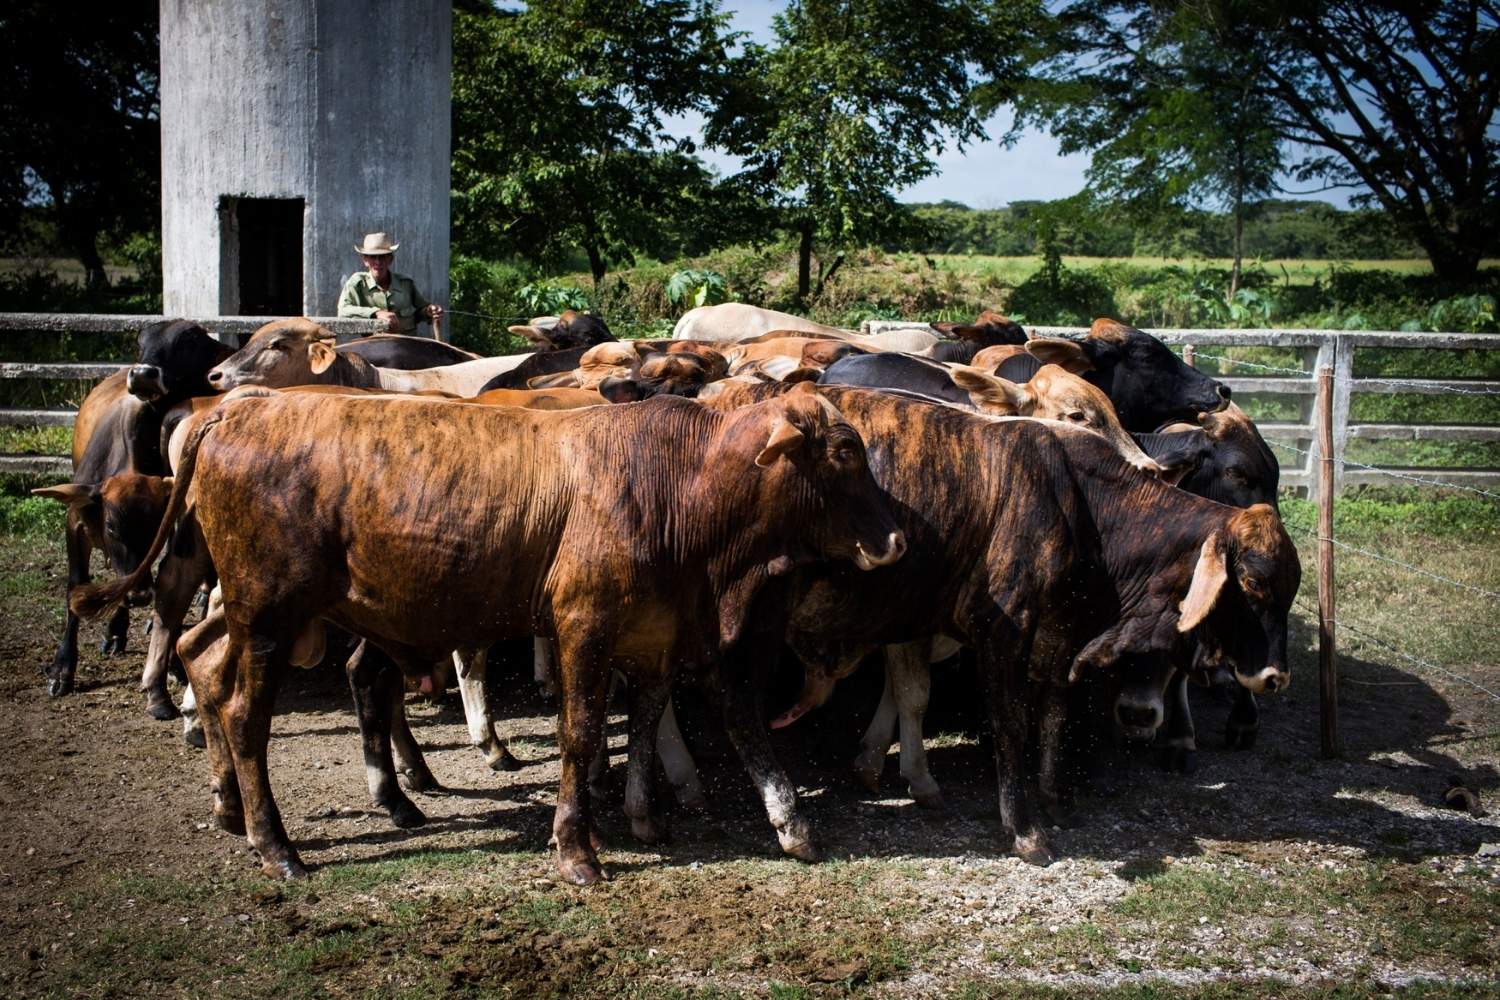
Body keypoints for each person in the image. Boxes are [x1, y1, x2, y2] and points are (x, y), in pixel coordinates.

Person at [337, 232, 444, 335]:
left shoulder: (406, 284)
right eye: (373, 257)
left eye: (382, 256)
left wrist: (429, 312)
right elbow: (343, 311)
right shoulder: (358, 284)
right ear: (365, 260)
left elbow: (420, 312)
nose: (378, 262)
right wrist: (376, 313)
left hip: (406, 344)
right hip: (373, 344)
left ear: (390, 259)